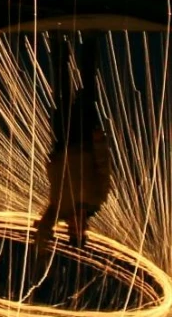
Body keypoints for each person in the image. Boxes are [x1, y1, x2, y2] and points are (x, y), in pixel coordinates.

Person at [34, 40, 113, 249]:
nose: (75, 226)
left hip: (62, 141)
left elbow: (43, 226)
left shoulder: (59, 210)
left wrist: (42, 245)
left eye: (71, 230)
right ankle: (91, 38)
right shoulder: (97, 200)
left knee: (61, 87)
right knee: (87, 86)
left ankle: (57, 39)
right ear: (86, 228)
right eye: (79, 230)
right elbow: (104, 169)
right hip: (84, 139)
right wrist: (98, 142)